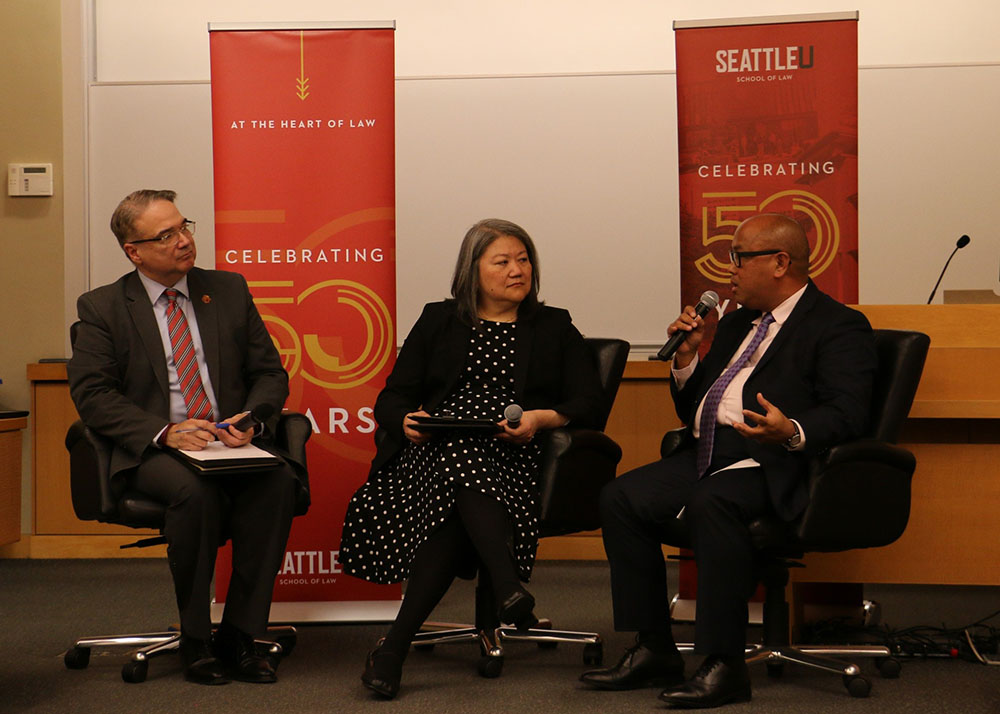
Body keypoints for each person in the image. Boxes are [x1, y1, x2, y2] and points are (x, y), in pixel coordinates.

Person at [580, 213, 877, 708]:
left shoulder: (838, 325)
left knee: (713, 503)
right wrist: (687, 359)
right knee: (620, 498)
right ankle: (654, 646)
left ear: (781, 262)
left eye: (739, 257)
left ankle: (725, 665)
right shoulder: (738, 320)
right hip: (709, 450)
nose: (729, 270)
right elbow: (697, 408)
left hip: (772, 458)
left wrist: (793, 431)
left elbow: (848, 412)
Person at [340, 218, 604, 699]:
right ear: (472, 271)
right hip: (433, 455)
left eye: (523, 260)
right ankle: (507, 587)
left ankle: (392, 649)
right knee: (458, 459)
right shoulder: (439, 319)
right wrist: (405, 421)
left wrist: (540, 419)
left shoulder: (553, 325)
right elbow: (393, 397)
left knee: (456, 494)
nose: (517, 270)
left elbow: (588, 400)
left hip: (516, 455)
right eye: (502, 261)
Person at [67, 189, 307, 686]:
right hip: (156, 447)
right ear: (134, 251)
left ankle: (241, 636)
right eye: (166, 235)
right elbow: (93, 395)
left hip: (227, 439)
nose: (184, 241)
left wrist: (253, 420)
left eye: (185, 227)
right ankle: (197, 639)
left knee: (278, 481)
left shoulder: (228, 289)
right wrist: (166, 432)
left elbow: (269, 374)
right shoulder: (103, 307)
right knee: (193, 493)